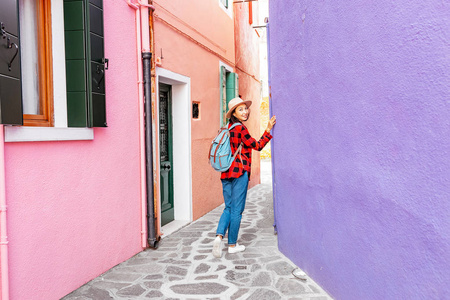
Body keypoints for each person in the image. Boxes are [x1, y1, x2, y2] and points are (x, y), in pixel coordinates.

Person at [212, 97, 276, 258]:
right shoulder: (240, 129)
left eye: (245, 109)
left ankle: (219, 237)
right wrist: (268, 130)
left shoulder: (227, 128)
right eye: (240, 109)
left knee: (228, 207)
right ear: (233, 113)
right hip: (239, 173)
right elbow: (258, 145)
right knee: (237, 210)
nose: (245, 111)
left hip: (226, 172)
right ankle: (232, 244)